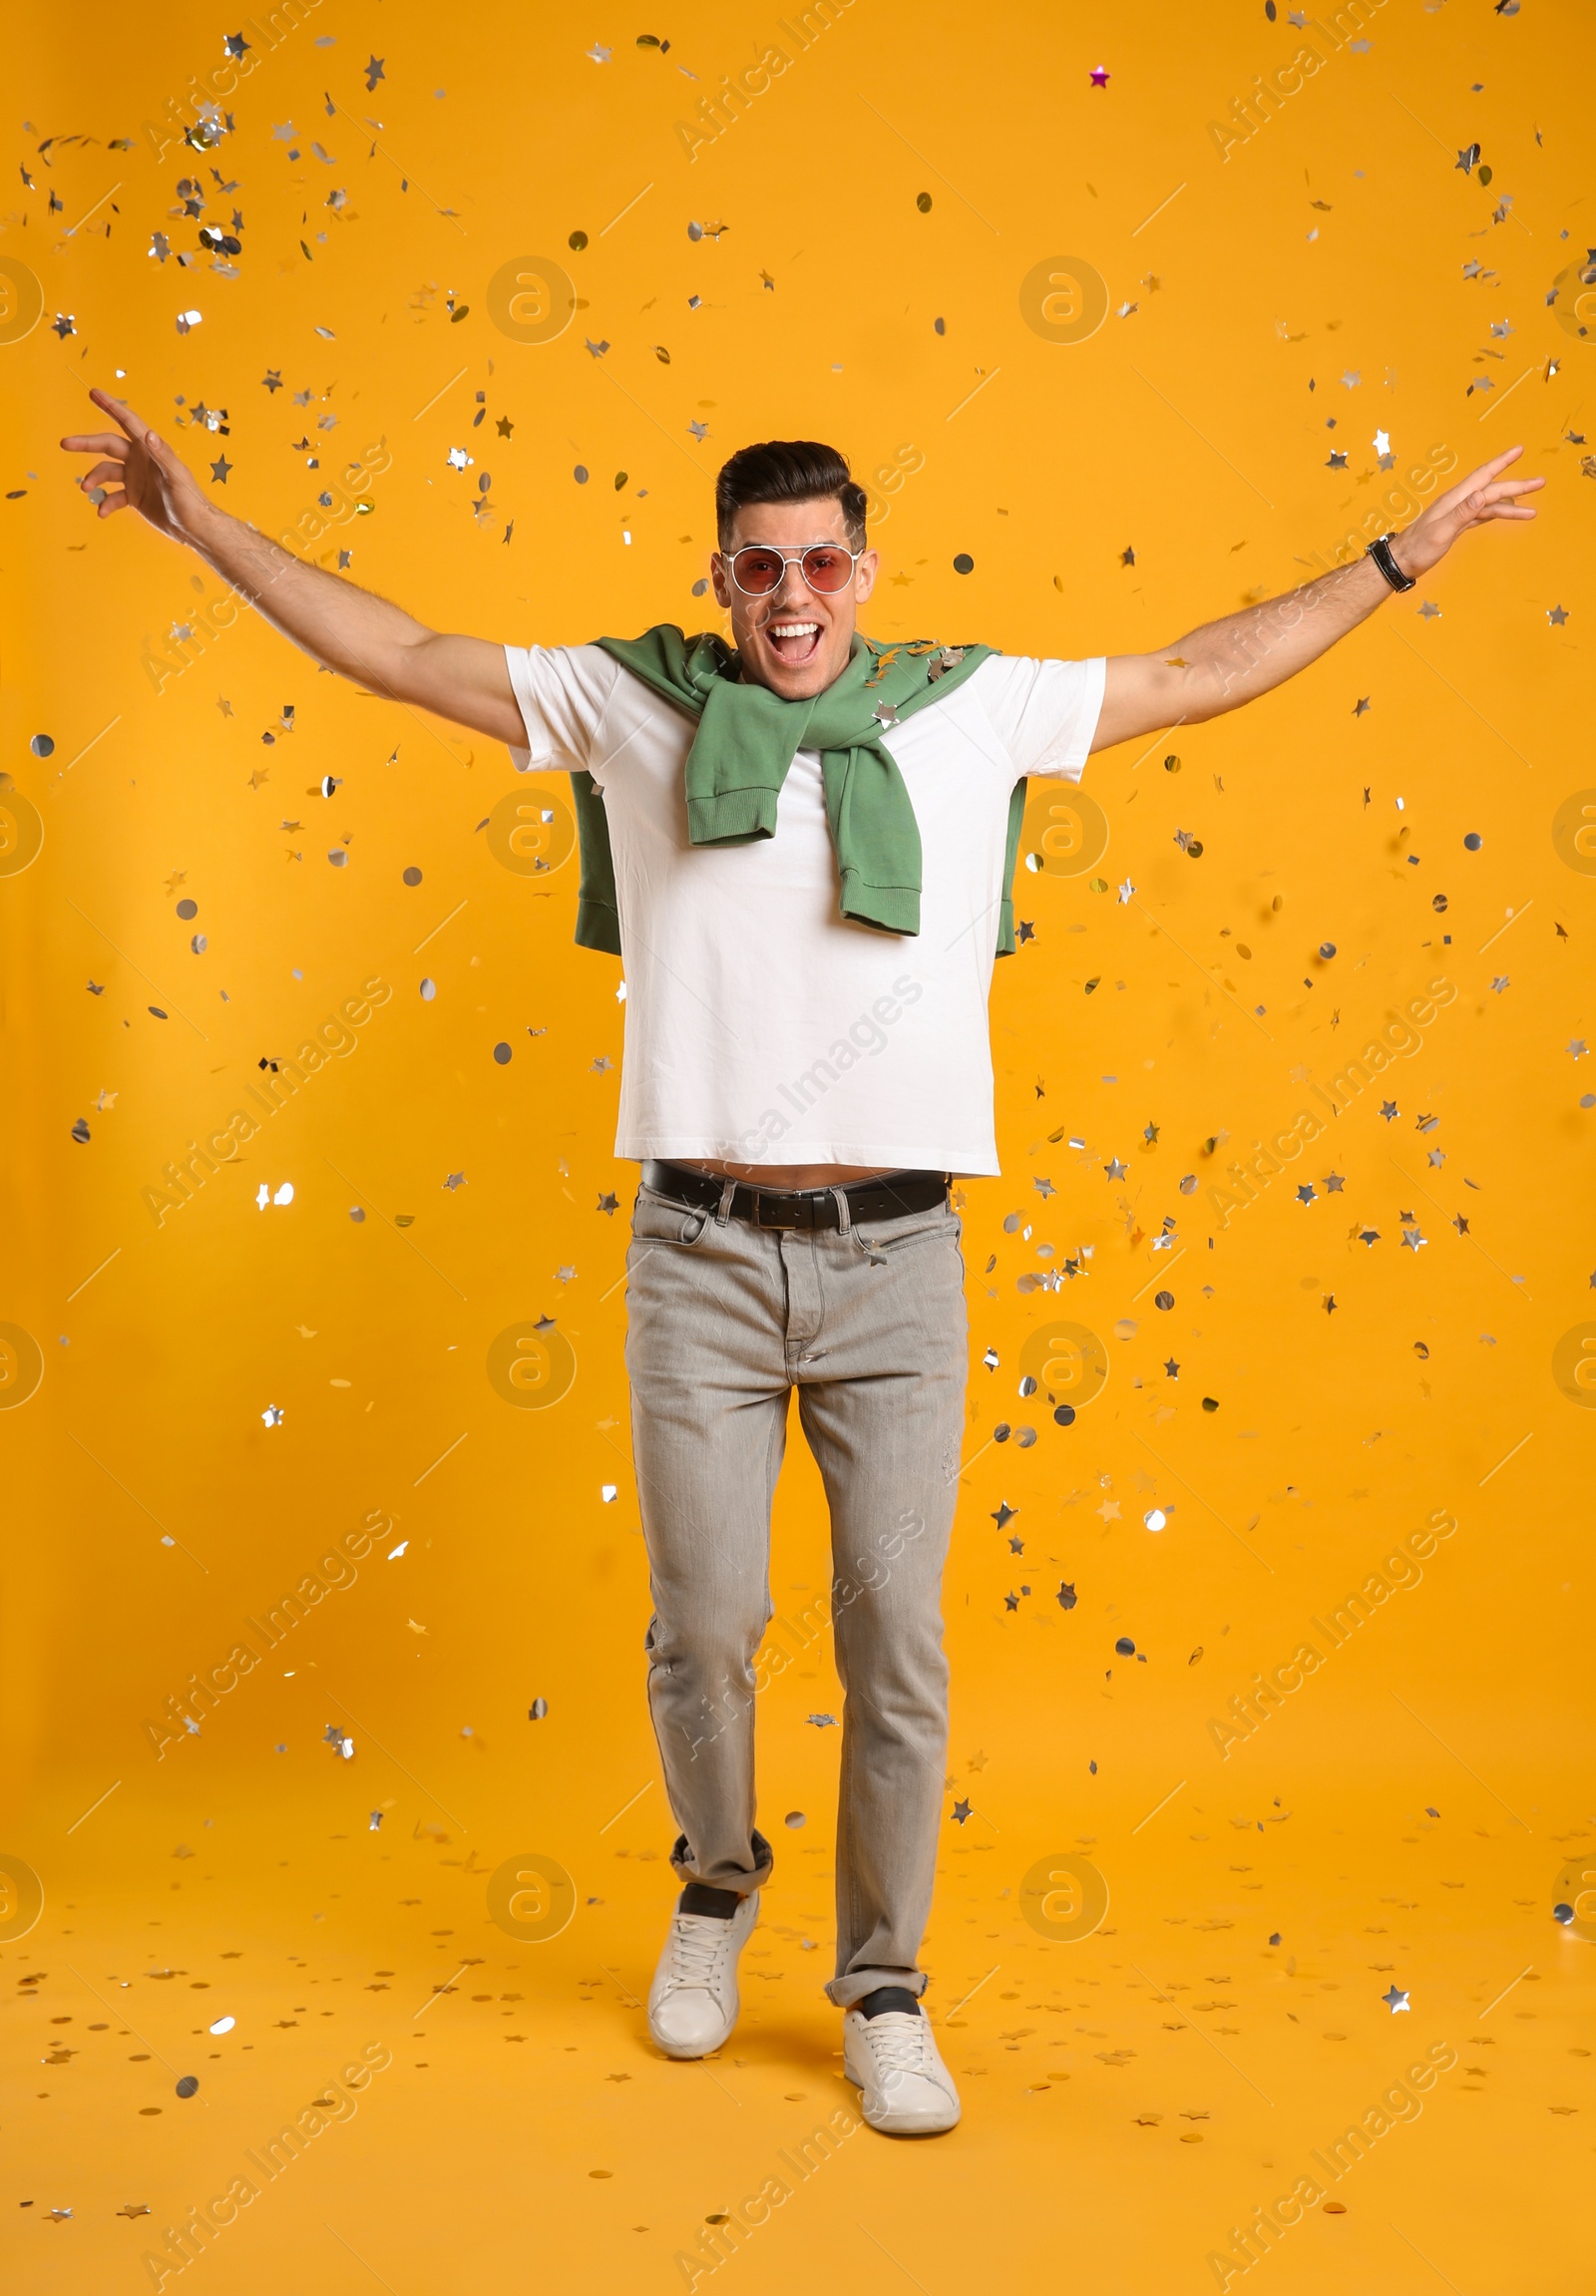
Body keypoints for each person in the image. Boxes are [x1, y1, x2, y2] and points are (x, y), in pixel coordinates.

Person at [62, 394, 1539, 2133]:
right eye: (759, 566)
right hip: (696, 1250)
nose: (791, 595)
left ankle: (885, 1986)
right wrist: (207, 526)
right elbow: (400, 650)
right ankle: (714, 1882)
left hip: (897, 1263)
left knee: (894, 1641)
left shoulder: (967, 710)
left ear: (864, 570)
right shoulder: (636, 704)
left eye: (821, 562)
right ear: (717, 574)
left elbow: (1197, 669)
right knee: (704, 1633)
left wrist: (1394, 560)